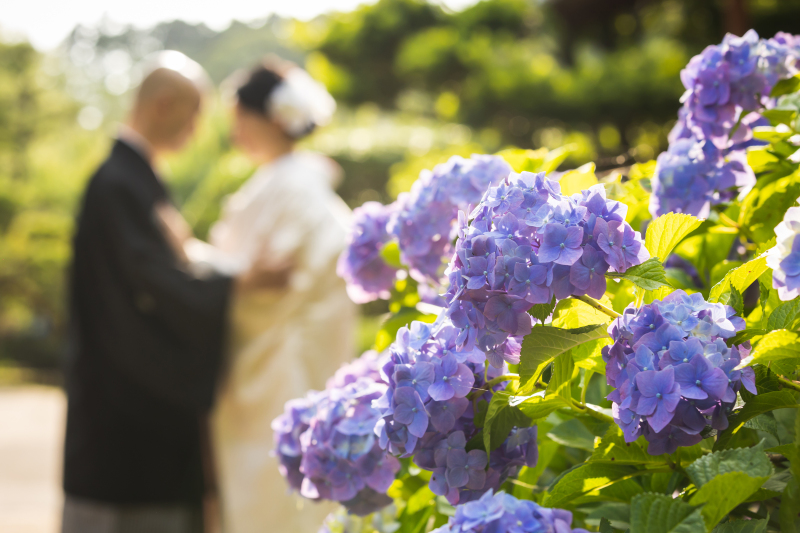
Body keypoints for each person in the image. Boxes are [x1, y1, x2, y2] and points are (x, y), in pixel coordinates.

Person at [62, 51, 289, 533]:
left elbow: (168, 267)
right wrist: (240, 280)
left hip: (135, 414)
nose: (196, 128)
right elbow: (159, 282)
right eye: (194, 114)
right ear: (164, 104)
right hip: (125, 421)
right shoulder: (118, 184)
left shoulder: (134, 179)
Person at [178, 58, 357, 533]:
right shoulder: (299, 185)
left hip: (276, 371)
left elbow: (260, 281)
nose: (234, 132)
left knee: (271, 495)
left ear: (265, 119)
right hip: (292, 362)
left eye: (239, 118)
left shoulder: (286, 188)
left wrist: (187, 253)